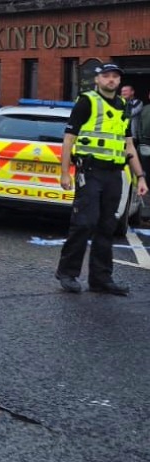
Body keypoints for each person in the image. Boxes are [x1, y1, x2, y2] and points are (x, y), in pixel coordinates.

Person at [56, 63, 148, 296]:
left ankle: (101, 279)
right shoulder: (87, 101)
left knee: (108, 226)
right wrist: (65, 172)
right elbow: (69, 138)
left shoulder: (123, 106)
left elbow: (128, 145)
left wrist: (141, 177)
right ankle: (67, 273)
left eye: (115, 77)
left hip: (114, 174)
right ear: (97, 80)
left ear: (120, 82)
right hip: (90, 172)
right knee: (84, 223)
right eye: (106, 76)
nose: (111, 80)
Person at [122, 84, 143, 151]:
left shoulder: (138, 102)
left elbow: (131, 113)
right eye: (122, 91)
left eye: (125, 91)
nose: (123, 93)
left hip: (132, 135)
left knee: (132, 155)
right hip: (121, 134)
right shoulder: (119, 102)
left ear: (132, 92)